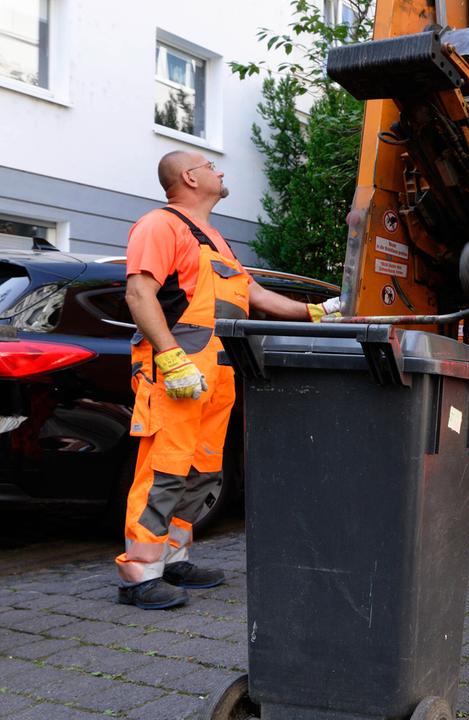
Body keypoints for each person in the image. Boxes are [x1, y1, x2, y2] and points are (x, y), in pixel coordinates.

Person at [115, 150, 340, 609]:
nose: (219, 171)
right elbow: (139, 293)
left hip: (216, 373)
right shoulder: (160, 226)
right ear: (189, 177)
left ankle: (173, 559)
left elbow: (253, 294)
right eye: (210, 166)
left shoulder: (214, 238)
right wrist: (172, 359)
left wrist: (313, 311)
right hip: (178, 370)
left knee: (202, 471)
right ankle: (139, 574)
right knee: (164, 469)